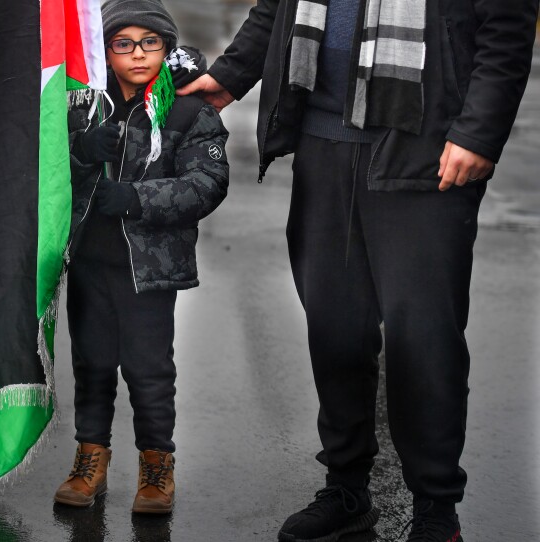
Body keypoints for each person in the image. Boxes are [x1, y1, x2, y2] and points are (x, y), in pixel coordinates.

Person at [178, 0, 538, 540]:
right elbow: (274, 9)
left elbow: (506, 30)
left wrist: (478, 134)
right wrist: (229, 77)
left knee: (425, 339)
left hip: (426, 152)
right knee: (335, 326)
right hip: (323, 146)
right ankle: (346, 489)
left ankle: (436, 507)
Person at [53, 0, 229, 515]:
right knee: (92, 363)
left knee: (149, 369)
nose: (137, 54)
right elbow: (46, 170)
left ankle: (156, 464)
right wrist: (84, 150)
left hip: (150, 270)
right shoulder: (87, 105)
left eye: (150, 43)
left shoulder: (189, 110)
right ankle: (91, 457)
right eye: (123, 44)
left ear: (167, 47)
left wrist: (135, 198)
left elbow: (207, 184)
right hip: (89, 260)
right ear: (106, 51)